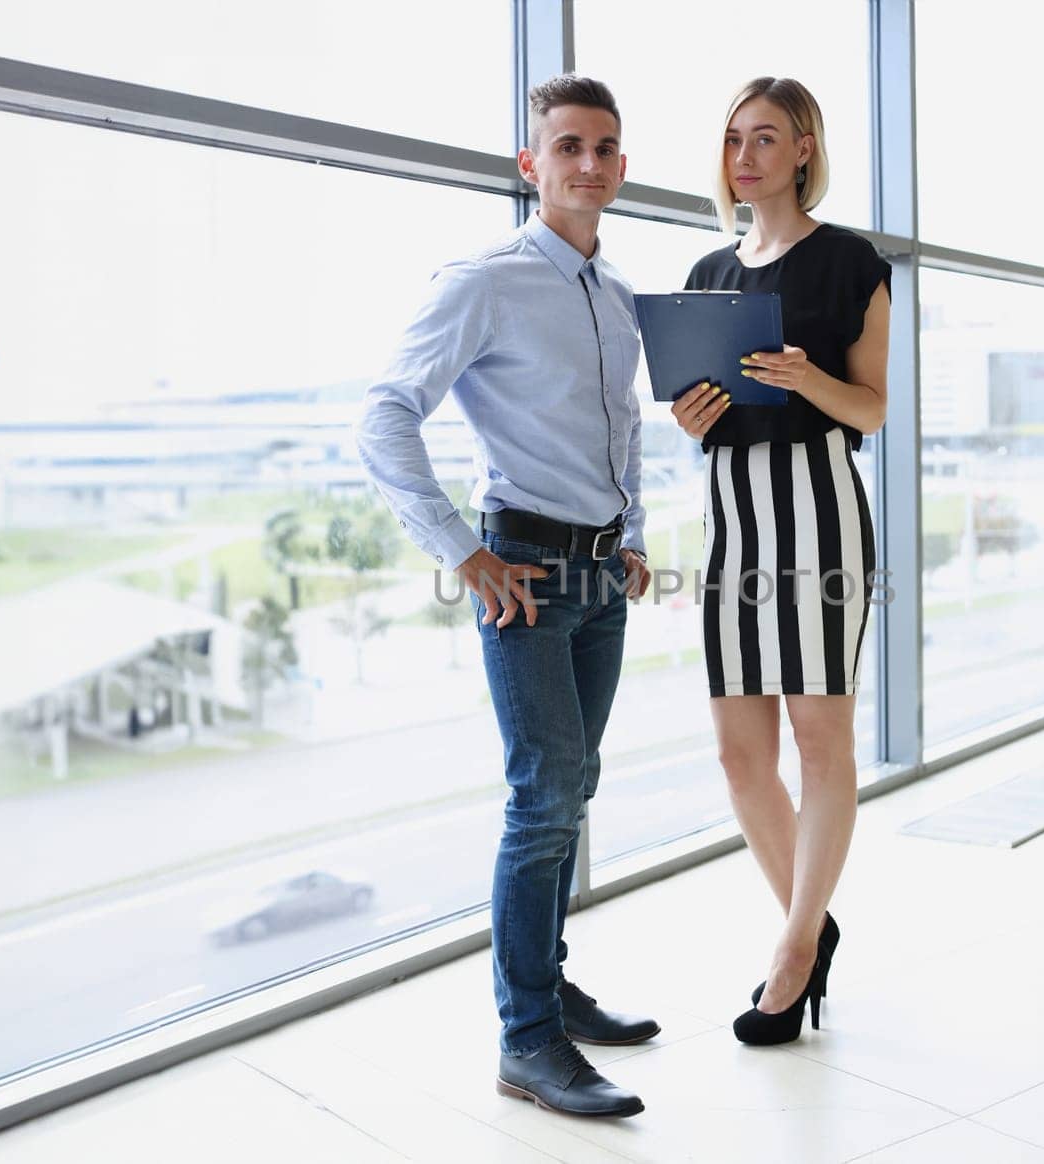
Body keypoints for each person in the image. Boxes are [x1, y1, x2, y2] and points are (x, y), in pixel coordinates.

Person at [354, 74, 657, 1119]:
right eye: (566, 146)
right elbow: (384, 416)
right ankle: (527, 1041)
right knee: (542, 798)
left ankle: (552, 987)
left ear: (620, 167)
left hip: (599, 572)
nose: (587, 163)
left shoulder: (616, 295)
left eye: (604, 147)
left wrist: (633, 536)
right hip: (521, 568)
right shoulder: (482, 279)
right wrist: (460, 551)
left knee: (575, 786)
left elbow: (616, 426)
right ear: (531, 166)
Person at [671, 76, 890, 1046]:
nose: (745, 155)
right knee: (738, 753)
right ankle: (813, 920)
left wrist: (813, 379)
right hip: (731, 516)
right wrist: (689, 417)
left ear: (804, 148)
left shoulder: (849, 261)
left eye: (765, 137)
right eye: (732, 139)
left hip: (818, 508)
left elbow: (872, 410)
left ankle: (792, 953)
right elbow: (702, 408)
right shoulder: (708, 270)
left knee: (819, 741)